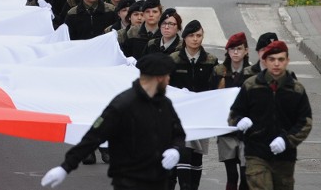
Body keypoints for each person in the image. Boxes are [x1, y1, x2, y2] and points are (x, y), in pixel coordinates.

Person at [41, 53, 185, 190]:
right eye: (167, 76)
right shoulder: (123, 105)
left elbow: (178, 133)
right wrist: (65, 167)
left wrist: (176, 149)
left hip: (159, 181)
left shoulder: (164, 104)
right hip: (129, 182)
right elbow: (94, 136)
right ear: (159, 78)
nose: (169, 80)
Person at [229, 40, 312, 190]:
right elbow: (234, 114)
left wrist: (286, 140)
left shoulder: (296, 90)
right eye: (272, 59)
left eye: (281, 59)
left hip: (285, 158)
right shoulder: (251, 85)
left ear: (287, 60)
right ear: (265, 61)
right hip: (256, 153)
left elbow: (305, 122)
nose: (276, 64)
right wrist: (240, 121)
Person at [169, 20, 219, 190]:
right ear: (184, 38)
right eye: (191, 35)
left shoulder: (211, 60)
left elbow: (216, 86)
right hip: (179, 115)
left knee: (197, 156)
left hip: (200, 114)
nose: (195, 39)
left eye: (198, 35)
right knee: (184, 151)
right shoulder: (174, 60)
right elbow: (166, 85)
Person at [212, 32, 251, 190]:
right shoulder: (219, 72)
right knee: (232, 175)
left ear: (246, 51)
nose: (236, 52)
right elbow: (211, 96)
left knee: (245, 175)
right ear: (227, 51)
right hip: (226, 129)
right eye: (232, 49)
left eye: (239, 48)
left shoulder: (252, 73)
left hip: (247, 131)